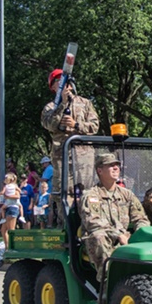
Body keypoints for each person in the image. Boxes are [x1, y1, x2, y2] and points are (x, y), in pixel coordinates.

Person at [41, 68, 100, 226]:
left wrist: (77, 125)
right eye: (59, 82)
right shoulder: (50, 107)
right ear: (53, 87)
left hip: (84, 158)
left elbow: (95, 127)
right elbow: (49, 124)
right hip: (62, 158)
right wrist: (62, 105)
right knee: (64, 194)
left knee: (86, 193)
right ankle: (67, 229)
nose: (65, 85)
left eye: (66, 81)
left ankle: (88, 226)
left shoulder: (85, 103)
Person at [79, 152, 149, 283]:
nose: (116, 168)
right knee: (98, 237)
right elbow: (92, 222)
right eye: (110, 165)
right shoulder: (91, 196)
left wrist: (140, 232)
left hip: (124, 238)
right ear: (100, 170)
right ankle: (108, 283)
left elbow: (141, 218)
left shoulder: (126, 194)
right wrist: (117, 235)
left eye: (117, 165)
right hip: (101, 240)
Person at [0, 173, 22, 247]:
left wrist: (7, 196)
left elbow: (18, 196)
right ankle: (7, 246)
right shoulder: (6, 187)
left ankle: (13, 246)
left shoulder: (15, 187)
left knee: (11, 229)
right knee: (3, 230)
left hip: (13, 207)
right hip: (7, 207)